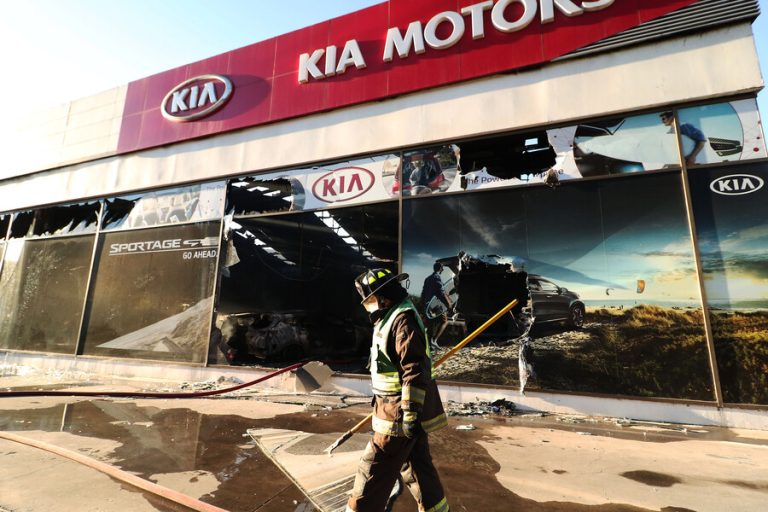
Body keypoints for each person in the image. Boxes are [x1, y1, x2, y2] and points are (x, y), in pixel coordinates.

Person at [347, 268, 450, 512]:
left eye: (370, 300)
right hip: (395, 410)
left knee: (374, 467)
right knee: (417, 468)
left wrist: (410, 413)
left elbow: (414, 367)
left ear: (383, 297)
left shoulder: (401, 320)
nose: (369, 306)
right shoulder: (392, 316)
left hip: (398, 414)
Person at [420, 262, 453, 351]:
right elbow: (441, 293)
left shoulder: (427, 279)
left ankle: (430, 344)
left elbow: (423, 293)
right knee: (444, 321)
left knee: (431, 323)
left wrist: (422, 306)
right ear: (440, 268)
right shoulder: (437, 277)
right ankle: (434, 341)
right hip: (435, 305)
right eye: (442, 268)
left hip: (428, 305)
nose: (443, 269)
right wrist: (448, 304)